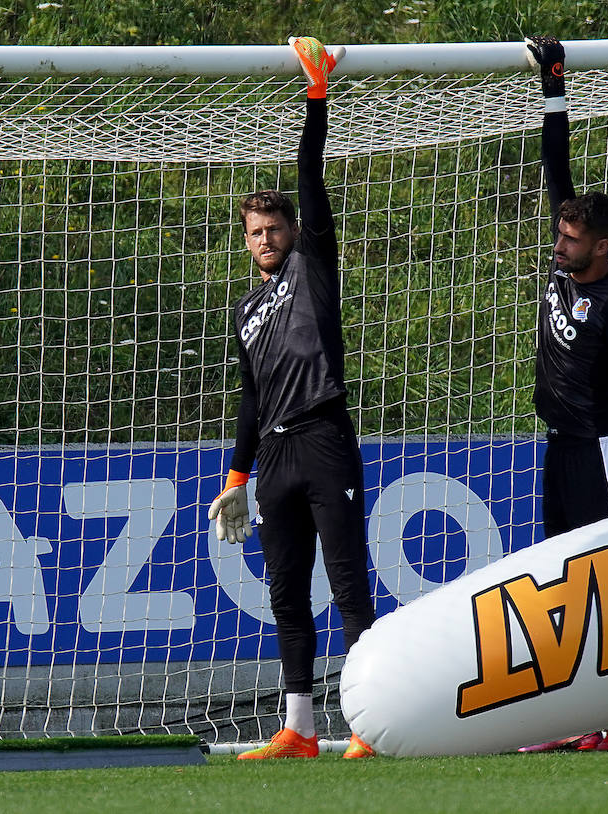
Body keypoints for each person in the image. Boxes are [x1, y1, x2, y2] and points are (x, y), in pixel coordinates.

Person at [207, 36, 376, 761]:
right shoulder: (245, 310)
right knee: (285, 592)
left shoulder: (312, 265)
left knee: (347, 583)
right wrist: (237, 476)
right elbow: (250, 397)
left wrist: (316, 99)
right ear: (245, 240)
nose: (266, 237)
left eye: (275, 227)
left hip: (323, 435)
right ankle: (299, 729)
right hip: (273, 456)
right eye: (256, 231)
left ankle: (370, 721)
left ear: (294, 232)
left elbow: (310, 175)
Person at [518, 36, 608, 753]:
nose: (559, 245)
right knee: (559, 576)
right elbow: (557, 164)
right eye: (560, 234)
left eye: (572, 240)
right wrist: (554, 87)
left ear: (601, 246)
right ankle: (569, 717)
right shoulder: (564, 263)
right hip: (560, 446)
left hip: (604, 450)